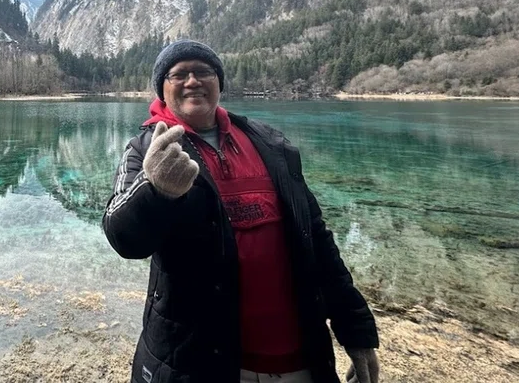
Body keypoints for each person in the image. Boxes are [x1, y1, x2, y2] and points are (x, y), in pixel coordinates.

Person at [103, 39, 380, 383]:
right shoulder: (145, 150)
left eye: (203, 72)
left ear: (219, 81)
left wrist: (356, 329)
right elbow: (123, 238)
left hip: (299, 358)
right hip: (198, 363)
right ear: (162, 89)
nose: (192, 81)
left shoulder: (270, 142)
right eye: (179, 75)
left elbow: (317, 240)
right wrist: (157, 191)